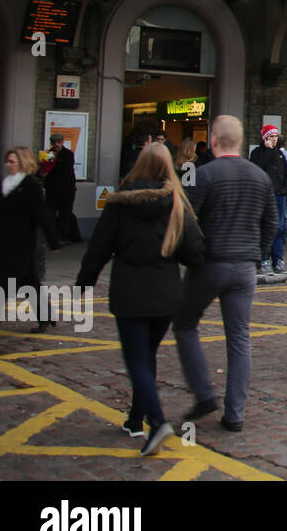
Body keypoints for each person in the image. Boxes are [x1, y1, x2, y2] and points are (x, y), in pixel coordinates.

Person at [76, 144, 205, 456]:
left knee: (137, 360)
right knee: (146, 357)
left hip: (130, 291)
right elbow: (195, 253)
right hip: (165, 293)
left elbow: (99, 247)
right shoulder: (176, 202)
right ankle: (136, 419)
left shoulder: (120, 204)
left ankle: (157, 420)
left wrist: (85, 281)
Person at [174, 115, 277, 433]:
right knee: (239, 338)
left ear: (214, 141)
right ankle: (235, 414)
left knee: (185, 324)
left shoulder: (202, 175)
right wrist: (258, 253)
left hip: (209, 263)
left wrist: (191, 257)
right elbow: (272, 222)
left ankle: (204, 392)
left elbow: (186, 221)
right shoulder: (259, 176)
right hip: (244, 266)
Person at [0, 147, 63, 337]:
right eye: (7, 161)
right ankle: (46, 316)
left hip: (21, 244)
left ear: (22, 162)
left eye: (12, 161)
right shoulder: (7, 184)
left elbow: (41, 215)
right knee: (29, 284)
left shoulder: (30, 185)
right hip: (5, 242)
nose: (8, 165)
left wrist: (54, 240)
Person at [249, 124, 287, 275]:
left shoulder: (280, 154)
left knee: (279, 228)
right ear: (265, 137)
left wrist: (284, 191)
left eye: (276, 136)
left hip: (279, 195)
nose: (275, 139)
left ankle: (278, 259)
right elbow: (259, 167)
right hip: (264, 196)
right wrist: (268, 150)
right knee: (264, 227)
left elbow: (286, 174)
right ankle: (263, 260)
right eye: (272, 136)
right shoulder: (258, 153)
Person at [42, 132, 82, 244]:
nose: (56, 145)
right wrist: (44, 165)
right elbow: (44, 171)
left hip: (66, 189)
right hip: (52, 189)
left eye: (58, 142)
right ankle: (53, 236)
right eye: (54, 143)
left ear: (62, 142)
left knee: (65, 213)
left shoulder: (68, 154)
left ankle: (64, 237)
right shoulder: (48, 154)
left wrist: (51, 164)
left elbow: (64, 168)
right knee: (50, 213)